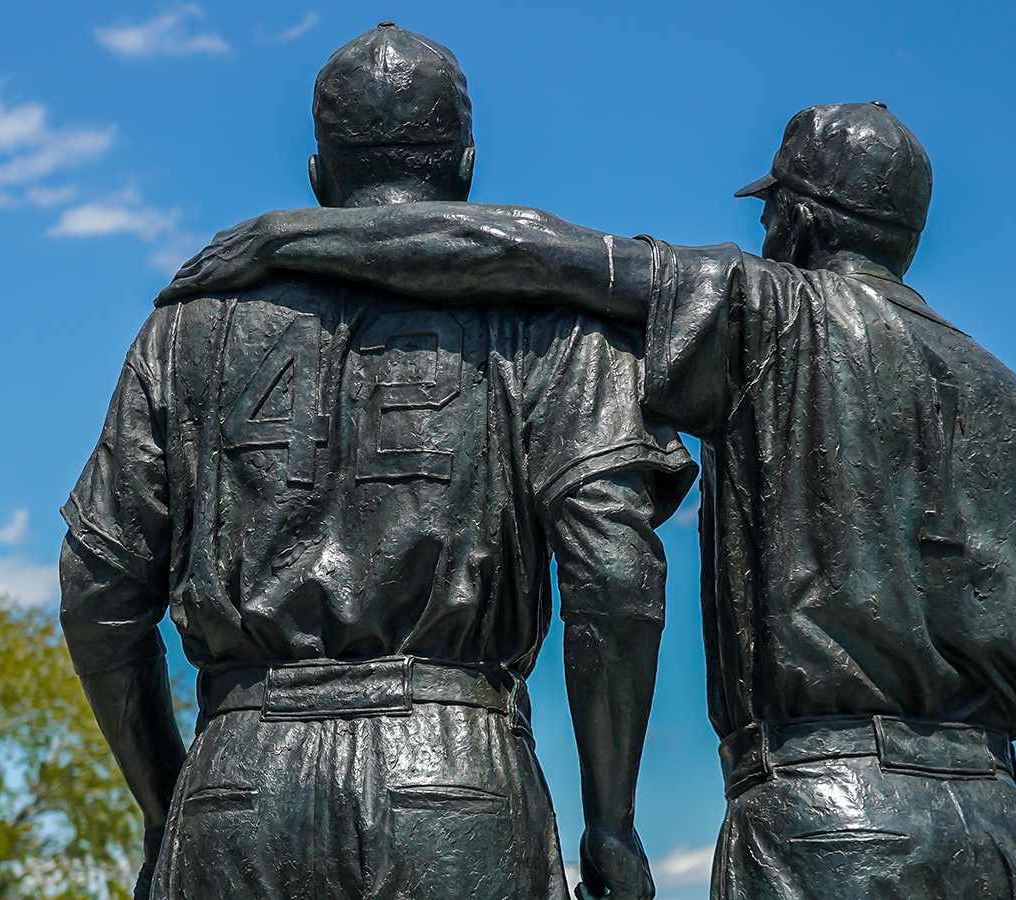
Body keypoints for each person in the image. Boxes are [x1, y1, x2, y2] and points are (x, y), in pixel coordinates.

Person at [158, 101, 1016, 900]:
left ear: (797, 221)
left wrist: (291, 235)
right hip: (1000, 832)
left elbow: (520, 250)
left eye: (769, 212)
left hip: (828, 828)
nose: (759, 226)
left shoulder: (767, 309)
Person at [60, 24, 694, 900]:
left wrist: (168, 805)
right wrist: (610, 826)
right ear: (465, 167)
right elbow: (615, 582)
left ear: (318, 177)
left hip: (235, 780)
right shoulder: (552, 325)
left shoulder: (183, 332)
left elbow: (97, 595)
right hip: (457, 783)